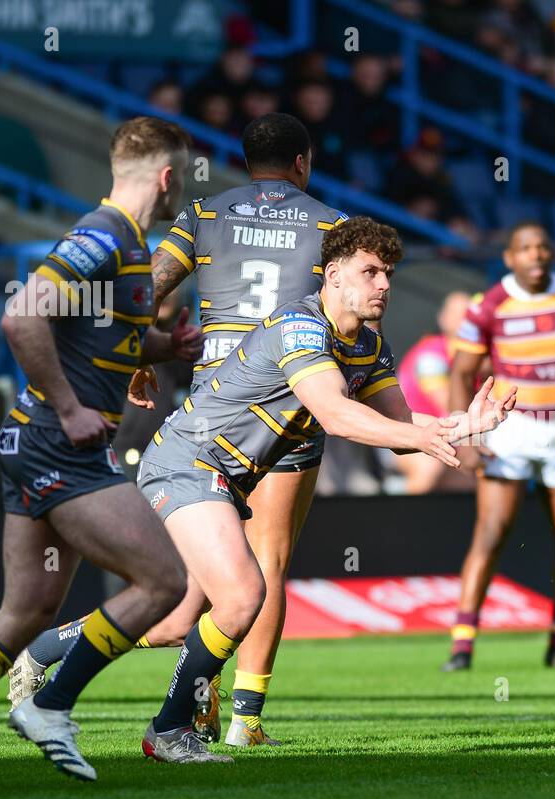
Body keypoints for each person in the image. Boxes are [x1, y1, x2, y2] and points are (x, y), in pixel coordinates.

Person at [11, 113, 345, 749]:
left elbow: (149, 286)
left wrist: (142, 354)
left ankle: (58, 649)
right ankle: (244, 720)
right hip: (288, 397)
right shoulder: (329, 225)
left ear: (246, 163)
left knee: (195, 600)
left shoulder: (204, 214)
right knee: (261, 569)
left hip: (211, 407)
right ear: (303, 162)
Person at [133, 217, 515, 761]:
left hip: (236, 472)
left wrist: (466, 426)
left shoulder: (372, 347)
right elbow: (337, 415)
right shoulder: (301, 326)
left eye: (389, 274)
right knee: (224, 599)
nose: (384, 284)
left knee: (214, 604)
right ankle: (183, 720)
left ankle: (66, 669)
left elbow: (402, 429)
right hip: (193, 459)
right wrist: (428, 438)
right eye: (372, 272)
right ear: (333, 275)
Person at [0, 117, 197, 789]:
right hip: (59, 444)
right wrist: (69, 405)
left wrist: (165, 348)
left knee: (25, 611)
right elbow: (22, 314)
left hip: (33, 444)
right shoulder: (102, 236)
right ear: (168, 177)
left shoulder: (128, 244)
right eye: (188, 175)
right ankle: (50, 704)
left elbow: (99, 336)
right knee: (166, 581)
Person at [442, 221, 555, 671]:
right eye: (526, 249)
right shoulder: (489, 305)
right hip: (514, 428)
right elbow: (461, 373)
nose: (536, 255)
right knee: (491, 531)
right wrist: (465, 434)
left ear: (552, 253)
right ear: (510, 258)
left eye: (543, 247)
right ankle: (462, 644)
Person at [393, 290, 476, 493]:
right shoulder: (431, 356)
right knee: (429, 467)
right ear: (443, 319)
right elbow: (451, 407)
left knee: (475, 480)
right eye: (458, 315)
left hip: (449, 438)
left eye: (469, 315)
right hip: (401, 437)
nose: (463, 321)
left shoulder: (474, 357)